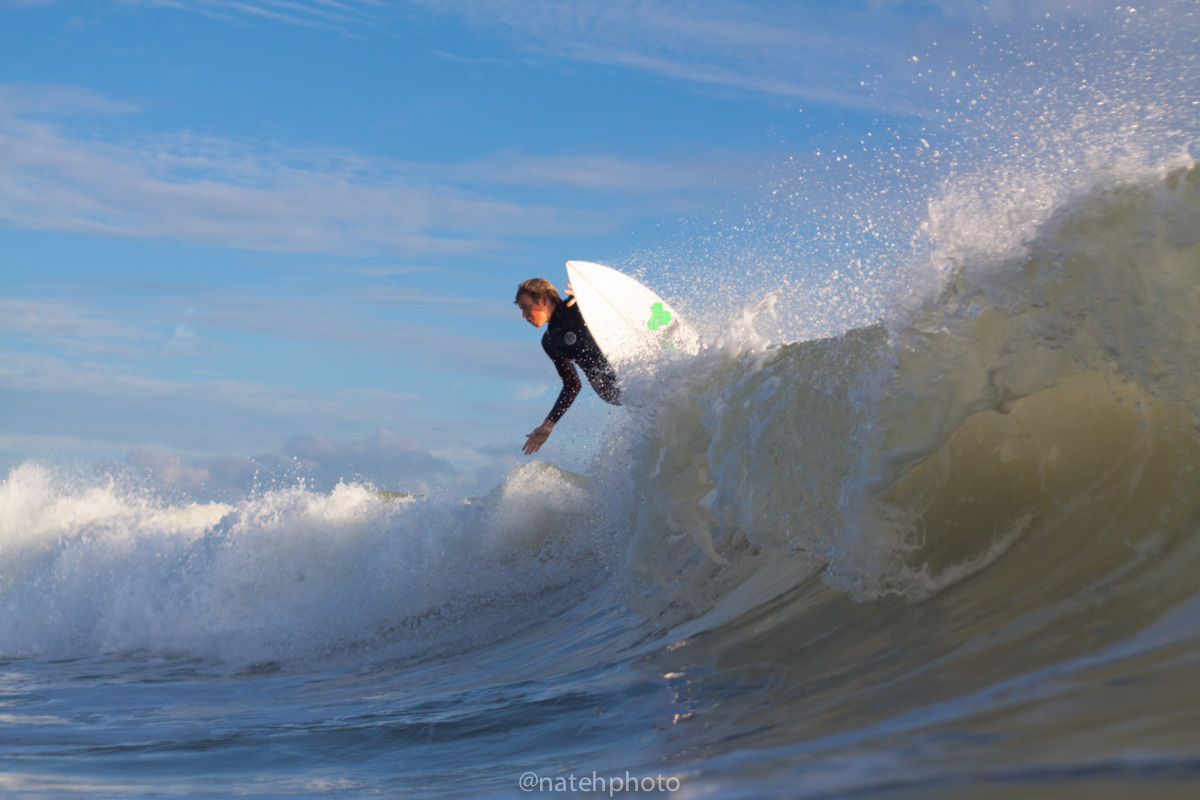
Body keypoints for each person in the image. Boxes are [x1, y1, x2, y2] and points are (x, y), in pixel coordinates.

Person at [515, 278, 621, 454]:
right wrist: (548, 425)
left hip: (623, 369)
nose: (524, 315)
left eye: (526, 307)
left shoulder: (577, 306)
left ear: (543, 299)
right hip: (610, 391)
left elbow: (613, 309)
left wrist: (590, 295)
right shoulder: (550, 342)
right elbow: (572, 385)